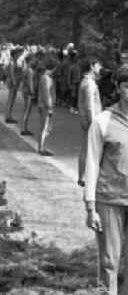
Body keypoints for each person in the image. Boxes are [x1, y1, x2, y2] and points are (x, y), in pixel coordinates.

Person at [83, 64, 128, 294]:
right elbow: (91, 163)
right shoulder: (103, 121)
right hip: (109, 200)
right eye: (127, 85)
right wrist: (90, 206)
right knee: (110, 261)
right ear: (119, 88)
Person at [77, 56, 102, 187]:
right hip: (90, 120)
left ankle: (82, 176)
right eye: (98, 65)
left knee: (86, 148)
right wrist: (93, 122)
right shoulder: (89, 83)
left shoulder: (86, 81)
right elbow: (90, 105)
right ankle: (84, 176)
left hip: (86, 119)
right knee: (89, 150)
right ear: (92, 66)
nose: (100, 68)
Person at [37, 57, 58, 156]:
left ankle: (43, 145)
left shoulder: (46, 78)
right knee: (44, 127)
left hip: (45, 105)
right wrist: (49, 107)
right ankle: (41, 147)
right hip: (45, 106)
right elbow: (46, 94)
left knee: (46, 127)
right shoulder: (46, 78)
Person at [6, 48, 25, 123]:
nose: (19, 55)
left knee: (12, 99)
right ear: (15, 54)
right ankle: (8, 116)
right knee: (11, 99)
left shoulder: (14, 61)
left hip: (14, 82)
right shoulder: (12, 62)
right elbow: (11, 73)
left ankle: (9, 115)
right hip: (13, 83)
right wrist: (14, 81)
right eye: (18, 53)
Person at [20, 55, 37, 136]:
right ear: (30, 61)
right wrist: (32, 92)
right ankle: (24, 128)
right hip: (28, 91)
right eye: (32, 60)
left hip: (24, 90)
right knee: (27, 110)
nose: (34, 61)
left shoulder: (25, 69)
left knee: (25, 109)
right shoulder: (30, 70)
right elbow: (30, 83)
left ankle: (24, 127)